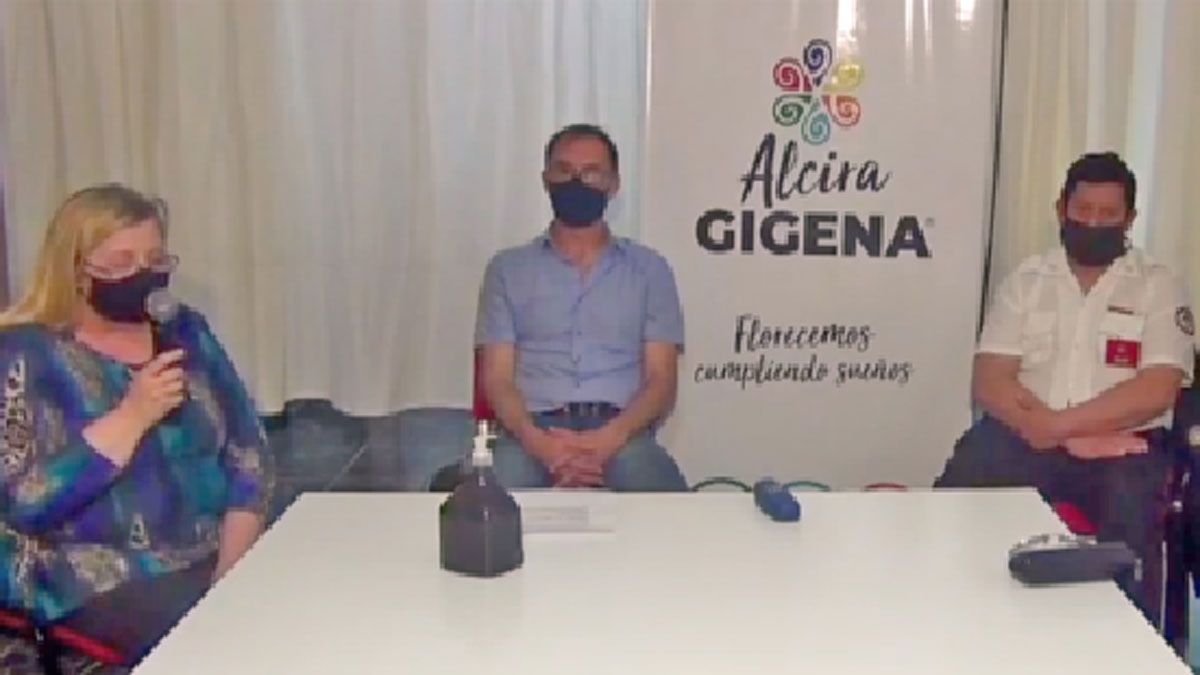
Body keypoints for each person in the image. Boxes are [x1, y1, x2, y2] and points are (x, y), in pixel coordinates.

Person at [0, 184, 273, 668]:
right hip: (95, 578)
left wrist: (231, 576)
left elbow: (249, 456)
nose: (143, 274)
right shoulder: (26, 353)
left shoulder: (185, 331)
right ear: (76, 270)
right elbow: (24, 503)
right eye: (121, 262)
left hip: (209, 554)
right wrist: (132, 416)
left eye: (154, 259)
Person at [935, 152, 1194, 622]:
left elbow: (1157, 389)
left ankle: (1124, 643)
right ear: (1061, 209)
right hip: (1027, 435)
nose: (1093, 223)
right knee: (962, 483)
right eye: (1083, 210)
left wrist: (1060, 427)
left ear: (1129, 218)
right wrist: (1066, 436)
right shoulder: (1027, 280)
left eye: (1107, 214)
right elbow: (990, 379)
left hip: (1124, 448)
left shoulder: (1158, 285)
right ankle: (953, 618)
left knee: (1132, 515)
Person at [475, 123, 688, 491]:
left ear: (613, 184)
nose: (577, 183)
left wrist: (607, 440)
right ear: (546, 180)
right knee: (493, 495)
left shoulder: (650, 269)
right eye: (564, 171)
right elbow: (497, 379)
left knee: (662, 498)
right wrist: (541, 445)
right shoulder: (507, 269)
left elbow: (662, 380)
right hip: (532, 433)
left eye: (591, 173)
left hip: (622, 432)